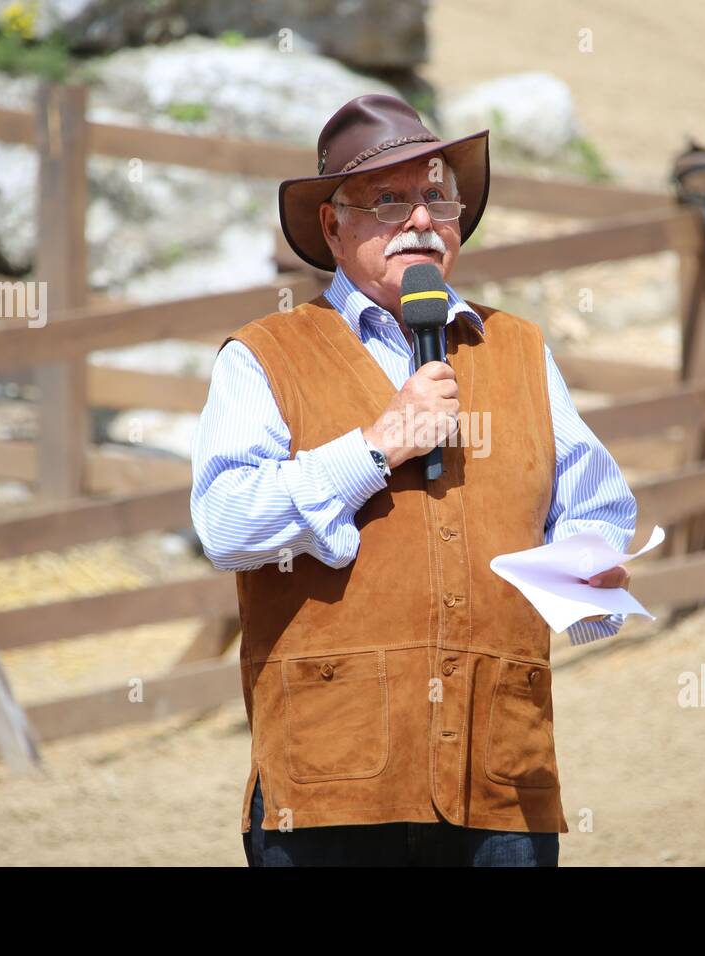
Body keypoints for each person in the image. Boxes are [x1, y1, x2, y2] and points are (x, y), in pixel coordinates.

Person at [190, 94, 637, 866]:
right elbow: (228, 525)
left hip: (502, 784)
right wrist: (376, 445)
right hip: (334, 789)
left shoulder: (522, 348)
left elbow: (593, 504)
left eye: (438, 196)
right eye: (389, 200)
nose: (422, 221)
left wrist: (592, 569)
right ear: (332, 227)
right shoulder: (263, 356)